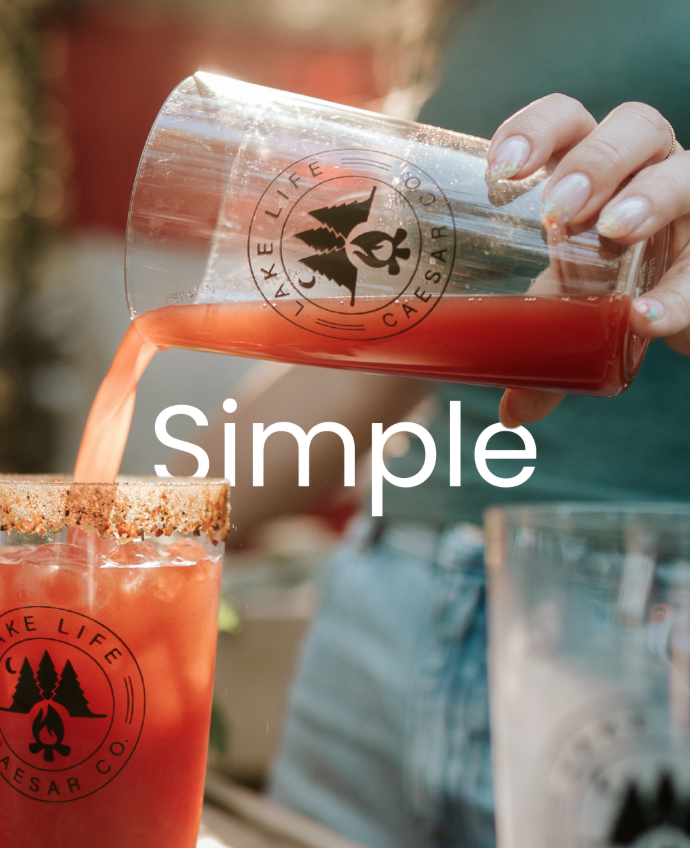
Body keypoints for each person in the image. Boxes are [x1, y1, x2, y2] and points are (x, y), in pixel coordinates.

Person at [197, 3, 690, 846]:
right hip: (380, 617)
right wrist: (99, 527)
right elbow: (390, 342)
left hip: (641, 651)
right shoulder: (470, 14)